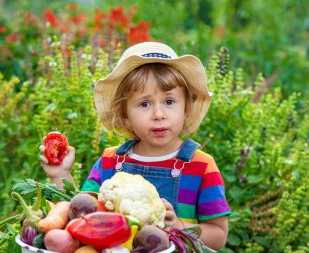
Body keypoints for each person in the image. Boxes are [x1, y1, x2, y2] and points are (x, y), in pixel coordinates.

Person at [39, 42, 231, 250]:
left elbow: (219, 235)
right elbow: (80, 213)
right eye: (144, 104)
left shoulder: (201, 166)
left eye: (169, 101)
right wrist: (60, 174)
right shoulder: (110, 162)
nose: (159, 114)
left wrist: (179, 227)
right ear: (125, 116)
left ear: (186, 108)